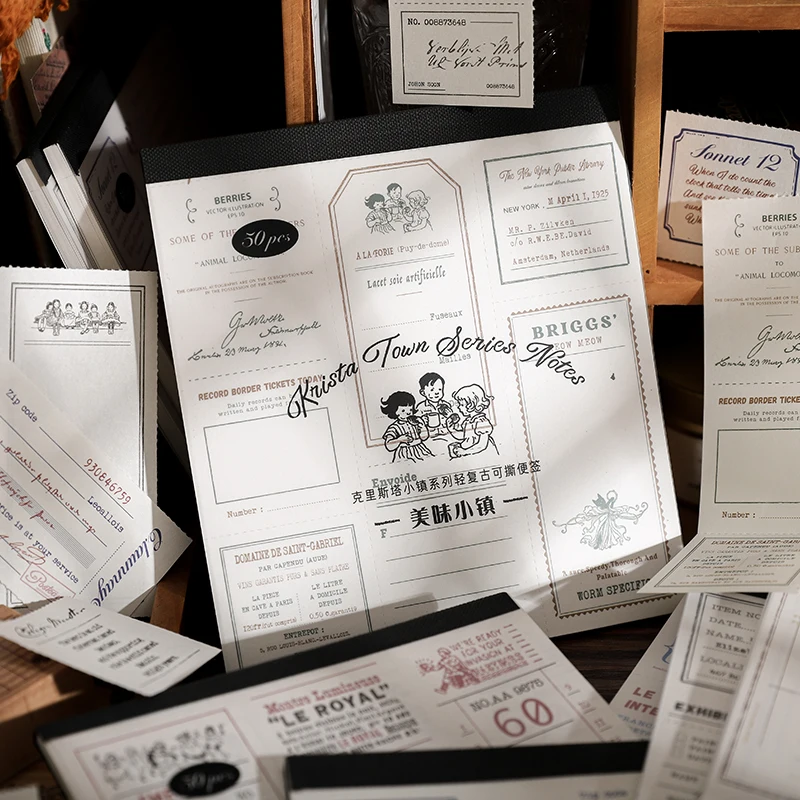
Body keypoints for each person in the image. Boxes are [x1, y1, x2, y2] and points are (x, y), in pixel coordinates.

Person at [381, 390, 433, 462]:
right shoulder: (394, 427)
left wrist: (423, 425)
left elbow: (424, 437)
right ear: (394, 411)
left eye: (410, 410)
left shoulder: (415, 422)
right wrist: (400, 439)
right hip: (405, 453)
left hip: (420, 449)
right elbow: (389, 446)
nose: (408, 413)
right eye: (403, 411)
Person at [447, 384, 497, 457]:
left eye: (461, 404)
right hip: (469, 452)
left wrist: (464, 452)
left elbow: (482, 445)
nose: (458, 407)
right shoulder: (468, 421)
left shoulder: (481, 422)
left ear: (471, 405)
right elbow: (463, 436)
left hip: (480, 455)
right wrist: (451, 428)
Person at [416, 372, 452, 437]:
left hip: (446, 435)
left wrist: (450, 416)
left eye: (440, 389)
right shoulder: (421, 407)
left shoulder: (445, 405)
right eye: (432, 390)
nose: (436, 392)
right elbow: (416, 423)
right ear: (423, 392)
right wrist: (422, 421)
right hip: (429, 437)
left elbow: (453, 421)